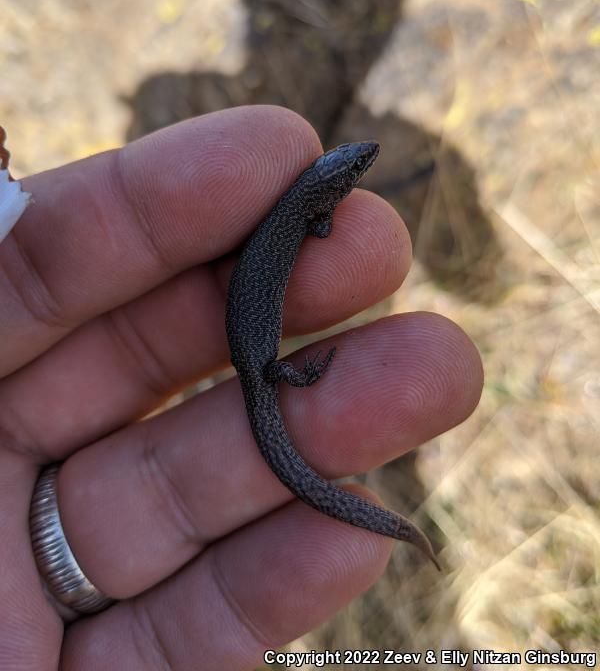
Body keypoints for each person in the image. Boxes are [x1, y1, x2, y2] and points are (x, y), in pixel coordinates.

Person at [0, 106, 483, 669]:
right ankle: (392, 522)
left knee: (285, 396)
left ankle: (388, 516)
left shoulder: (300, 200)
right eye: (361, 166)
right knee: (289, 398)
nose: (365, 164)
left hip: (252, 346)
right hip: (254, 351)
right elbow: (322, 226)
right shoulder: (311, 208)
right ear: (340, 181)